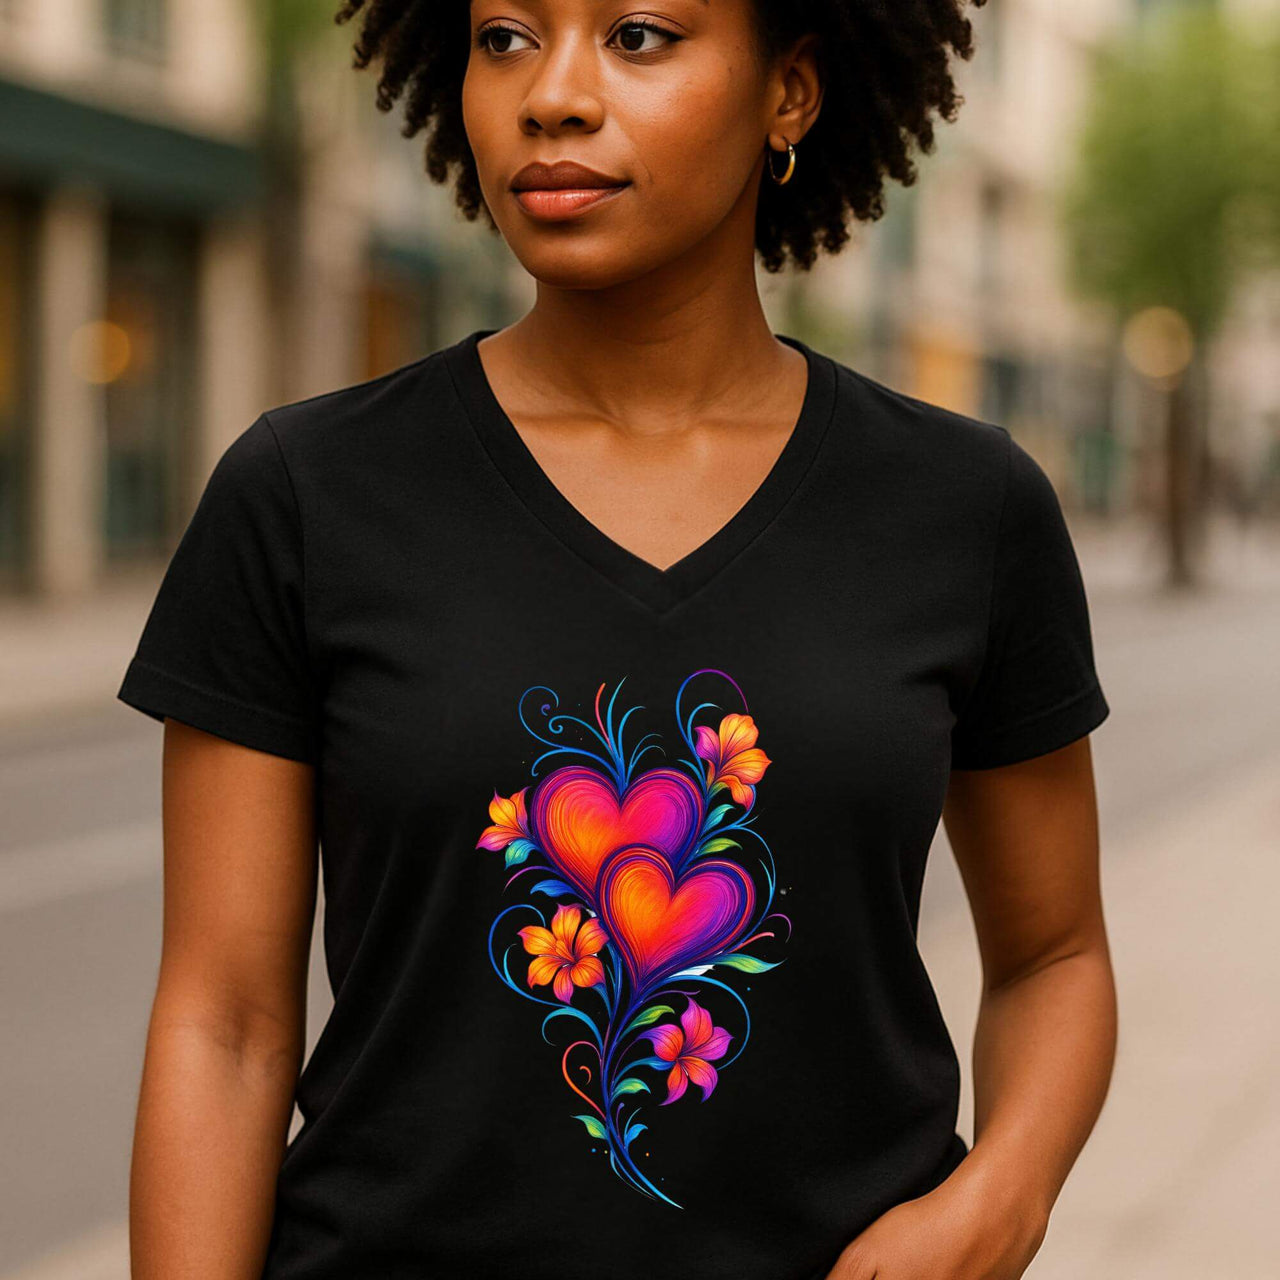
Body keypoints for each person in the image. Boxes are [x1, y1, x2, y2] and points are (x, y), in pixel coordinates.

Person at [116, 0, 1117, 1277]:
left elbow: (1053, 953)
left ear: (789, 95)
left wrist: (999, 1198)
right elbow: (225, 1022)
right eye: (504, 37)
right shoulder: (306, 494)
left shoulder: (964, 508)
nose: (553, 94)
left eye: (638, 35)